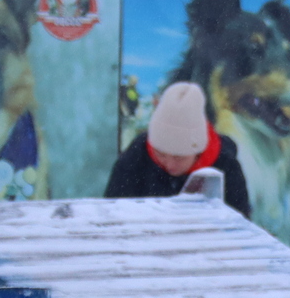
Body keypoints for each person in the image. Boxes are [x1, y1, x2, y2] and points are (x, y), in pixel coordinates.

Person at [103, 80, 253, 218]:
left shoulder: (226, 167)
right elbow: (112, 213)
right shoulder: (135, 157)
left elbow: (239, 223)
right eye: (160, 154)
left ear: (198, 151)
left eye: (179, 157)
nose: (169, 165)